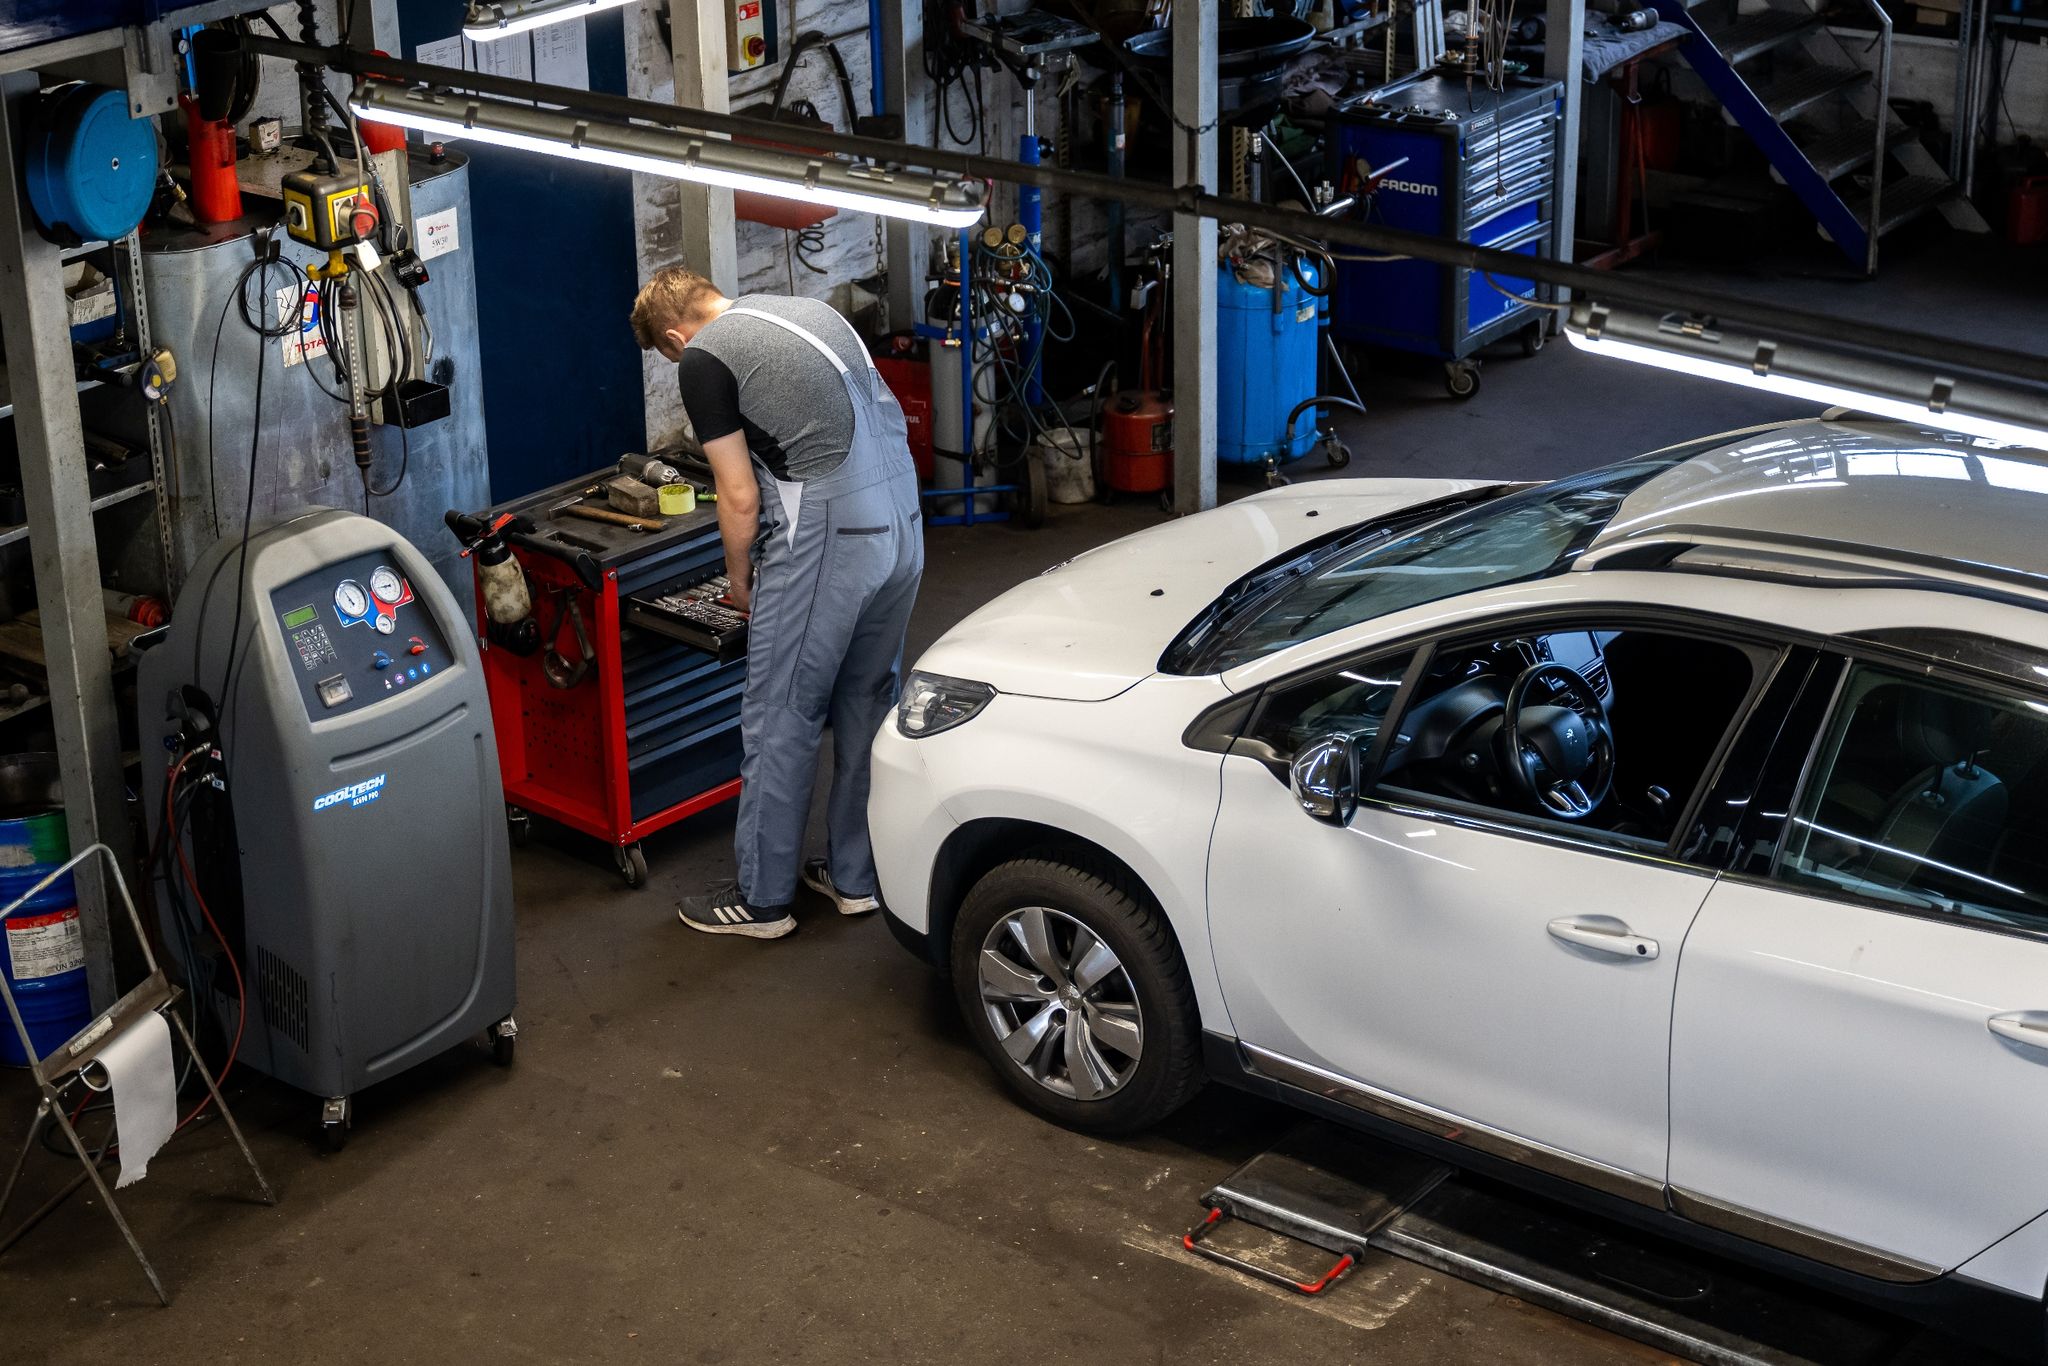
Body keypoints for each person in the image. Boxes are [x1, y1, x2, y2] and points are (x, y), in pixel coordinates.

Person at [630, 267, 924, 939]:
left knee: (781, 711)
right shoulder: (808, 311)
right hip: (904, 520)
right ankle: (855, 879)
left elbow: (738, 495)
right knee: (869, 699)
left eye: (670, 353)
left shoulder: (703, 358)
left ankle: (762, 901)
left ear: (675, 337)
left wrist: (740, 580)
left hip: (832, 536)